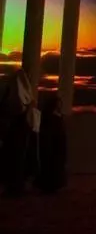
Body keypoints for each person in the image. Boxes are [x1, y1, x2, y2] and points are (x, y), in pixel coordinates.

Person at [0, 69, 40, 197]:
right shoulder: (21, 100)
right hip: (17, 134)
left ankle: (15, 186)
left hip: (16, 134)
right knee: (16, 161)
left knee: (16, 161)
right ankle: (15, 186)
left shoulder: (10, 98)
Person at [35, 94, 67, 194]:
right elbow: (48, 131)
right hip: (52, 144)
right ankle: (49, 186)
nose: (59, 106)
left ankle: (53, 185)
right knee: (50, 165)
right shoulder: (49, 117)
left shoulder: (56, 116)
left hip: (57, 144)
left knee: (56, 165)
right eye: (58, 104)